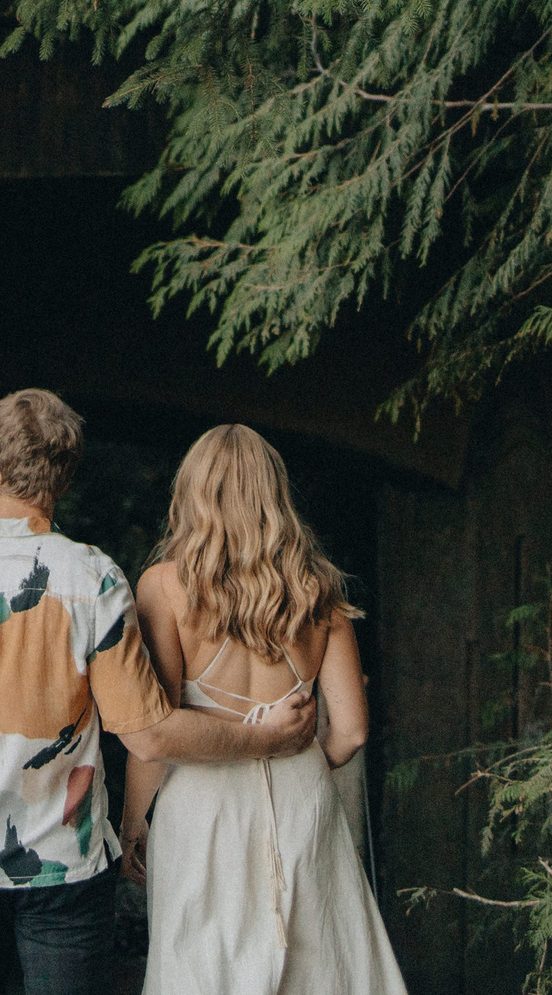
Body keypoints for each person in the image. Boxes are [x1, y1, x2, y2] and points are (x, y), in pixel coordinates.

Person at [0, 389, 318, 995]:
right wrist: (264, 737)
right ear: (62, 478)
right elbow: (148, 734)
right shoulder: (94, 579)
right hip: (68, 869)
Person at [121, 423, 408, 995]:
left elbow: (158, 727)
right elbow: (351, 732)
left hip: (202, 804)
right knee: (316, 962)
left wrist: (134, 819)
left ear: (193, 491)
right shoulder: (319, 590)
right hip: (303, 798)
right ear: (274, 495)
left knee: (200, 964)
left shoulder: (164, 587)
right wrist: (295, 763)